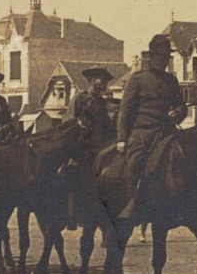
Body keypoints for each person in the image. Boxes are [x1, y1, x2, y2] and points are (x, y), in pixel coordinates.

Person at [115, 34, 187, 218]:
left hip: (167, 132)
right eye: (162, 57)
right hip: (142, 133)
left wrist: (177, 113)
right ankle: (133, 204)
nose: (165, 61)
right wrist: (123, 139)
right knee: (135, 164)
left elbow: (181, 105)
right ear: (153, 56)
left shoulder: (171, 80)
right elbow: (125, 110)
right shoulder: (137, 79)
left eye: (167, 57)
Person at [69, 68, 117, 151]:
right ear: (93, 80)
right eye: (103, 80)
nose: (105, 83)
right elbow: (69, 120)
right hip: (83, 142)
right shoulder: (80, 97)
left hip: (101, 140)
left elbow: (106, 123)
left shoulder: (101, 100)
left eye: (106, 81)